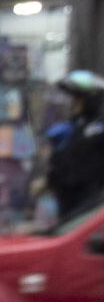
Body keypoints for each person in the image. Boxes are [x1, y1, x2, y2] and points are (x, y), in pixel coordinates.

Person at [48, 70, 104, 219]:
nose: (73, 104)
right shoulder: (72, 127)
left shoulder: (96, 130)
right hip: (65, 203)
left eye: (77, 99)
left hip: (86, 205)